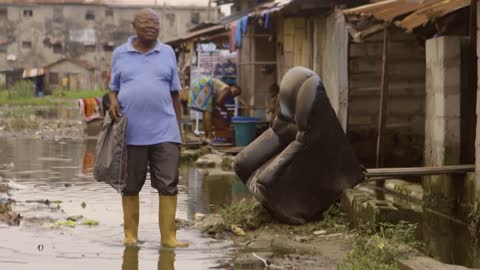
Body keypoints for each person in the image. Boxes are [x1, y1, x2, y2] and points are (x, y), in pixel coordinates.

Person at [107, 8, 188, 248]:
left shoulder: (168, 53)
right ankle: (131, 236)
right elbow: (113, 87)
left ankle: (169, 238)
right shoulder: (120, 54)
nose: (152, 26)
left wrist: (178, 131)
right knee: (130, 185)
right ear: (134, 25)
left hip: (165, 131)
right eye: (146, 22)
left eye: (155, 23)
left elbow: (175, 94)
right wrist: (112, 100)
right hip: (131, 133)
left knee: (169, 184)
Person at [188, 76, 241, 142]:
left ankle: (206, 136)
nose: (234, 94)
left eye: (236, 94)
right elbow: (219, 102)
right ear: (232, 87)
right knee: (208, 111)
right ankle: (210, 137)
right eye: (235, 91)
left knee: (205, 111)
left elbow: (216, 102)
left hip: (197, 82)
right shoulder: (227, 89)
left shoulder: (221, 89)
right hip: (205, 83)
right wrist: (228, 111)